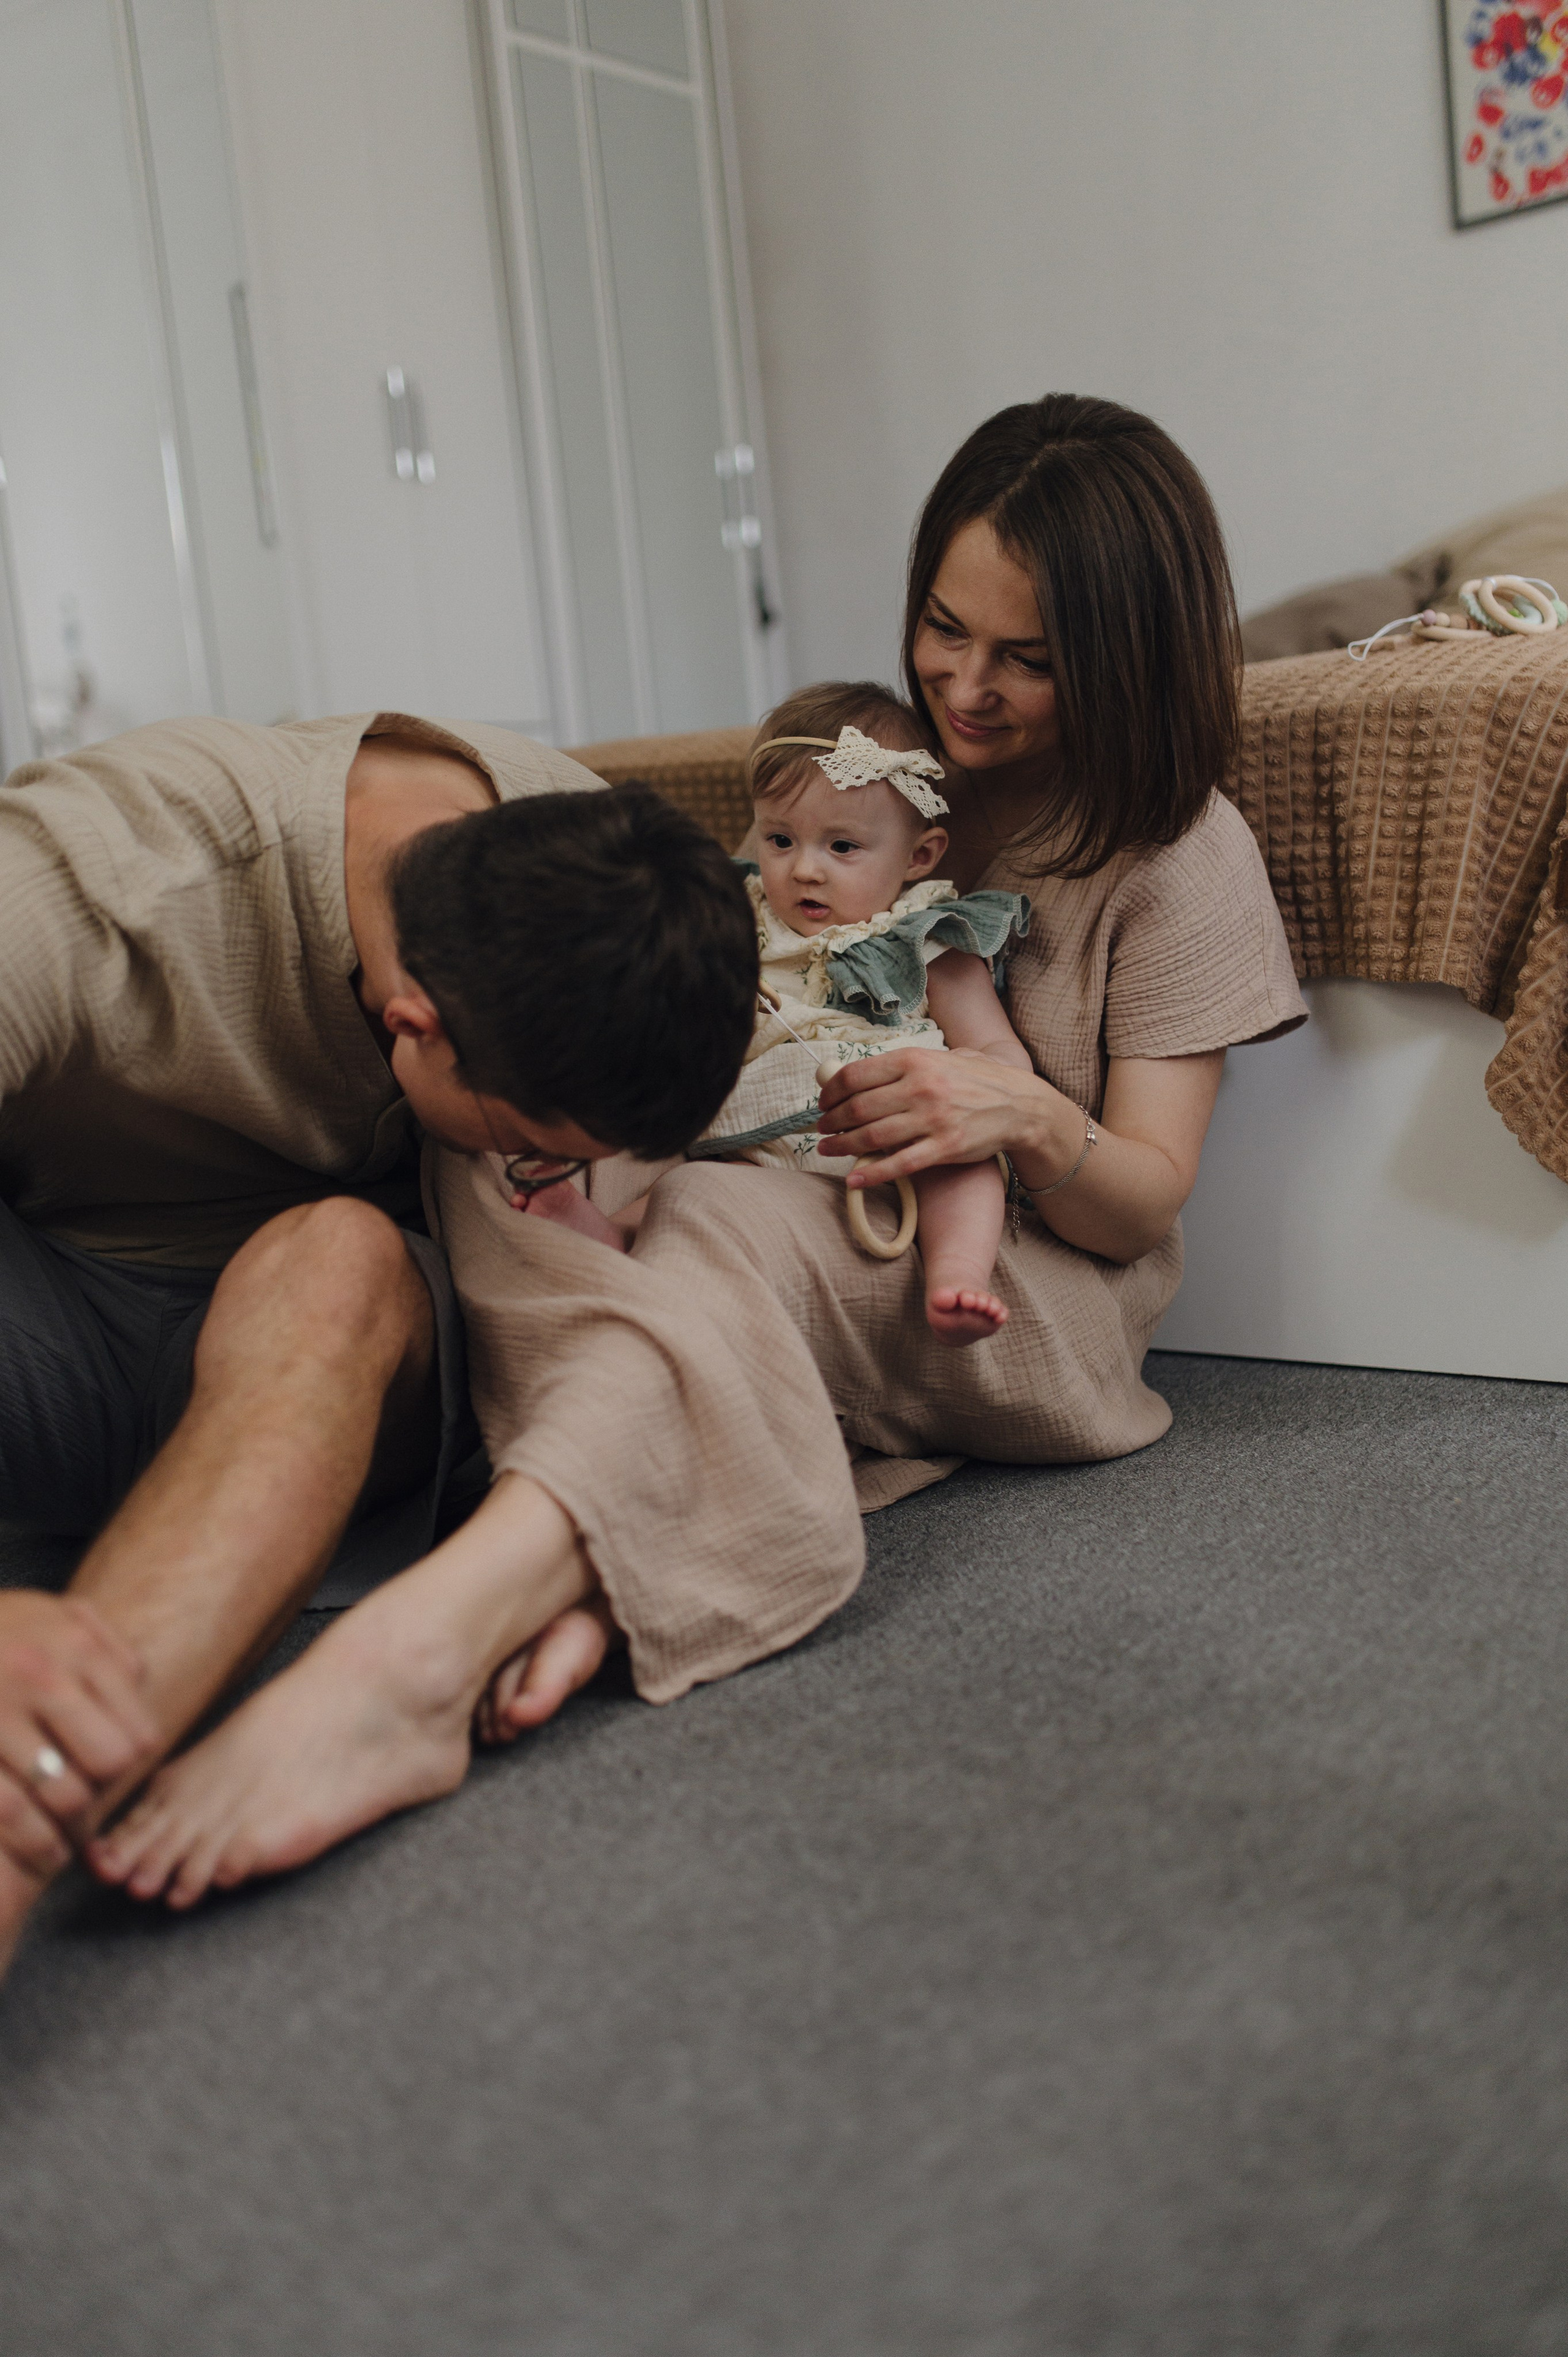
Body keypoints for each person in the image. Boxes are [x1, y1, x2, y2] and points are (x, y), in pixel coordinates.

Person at [81, 392, 1306, 1921]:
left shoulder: (1177, 852)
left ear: (1125, 651)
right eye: (944, 627)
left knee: (708, 1230)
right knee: (516, 1136)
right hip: (794, 1162)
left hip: (997, 1266)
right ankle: (594, 1562)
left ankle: (407, 1655)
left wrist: (1022, 1114)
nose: (964, 687)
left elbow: (1139, 1207)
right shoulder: (859, 766)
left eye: (1028, 659)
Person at [0, 718, 824, 1972]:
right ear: (412, 1021)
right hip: (50, 1304)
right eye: (534, 1146)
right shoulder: (90, 880)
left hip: (321, 1358)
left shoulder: (608, 870)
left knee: (335, 1252)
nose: (555, 1176)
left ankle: (31, 1793)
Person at [706, 682, 1032, 1345]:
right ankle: (615, 1227)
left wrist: (966, 1092)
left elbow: (1000, 1057)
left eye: (842, 847)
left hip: (898, 1134)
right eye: (779, 839)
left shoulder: (926, 936)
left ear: (919, 856)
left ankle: (957, 1273)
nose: (803, 870)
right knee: (689, 1190)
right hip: (759, 1134)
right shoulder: (742, 918)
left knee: (965, 1167)